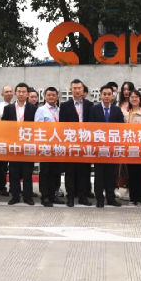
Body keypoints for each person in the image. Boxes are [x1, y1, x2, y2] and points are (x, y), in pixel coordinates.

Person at [59, 79, 94, 207]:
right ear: (71, 90)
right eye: (74, 88)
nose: (77, 90)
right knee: (70, 172)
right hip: (71, 143)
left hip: (85, 144)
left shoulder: (90, 105)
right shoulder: (64, 106)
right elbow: (62, 126)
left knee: (84, 171)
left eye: (79, 88)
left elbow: (93, 125)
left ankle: (83, 196)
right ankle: (70, 197)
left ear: (83, 90)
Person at [2, 83, 37, 205]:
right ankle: (15, 196)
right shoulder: (8, 108)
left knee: (28, 173)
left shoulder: (33, 109)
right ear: (15, 93)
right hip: (13, 145)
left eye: (24, 92)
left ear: (27, 94)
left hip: (28, 145)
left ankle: (28, 197)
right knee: (14, 173)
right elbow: (4, 126)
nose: (21, 94)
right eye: (19, 91)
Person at [90, 85, 125, 208]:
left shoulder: (117, 110)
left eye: (109, 94)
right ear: (100, 95)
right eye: (104, 94)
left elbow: (121, 127)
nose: (106, 96)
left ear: (112, 96)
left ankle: (111, 198)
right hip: (98, 148)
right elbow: (90, 128)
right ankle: (99, 198)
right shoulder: (94, 109)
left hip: (112, 148)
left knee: (111, 174)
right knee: (99, 174)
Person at [35, 87, 63, 207]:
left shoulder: (60, 110)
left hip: (58, 146)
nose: (51, 97)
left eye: (53, 95)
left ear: (57, 97)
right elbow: (38, 128)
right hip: (46, 146)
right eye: (49, 95)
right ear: (45, 97)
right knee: (45, 172)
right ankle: (45, 196)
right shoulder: (41, 110)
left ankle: (53, 195)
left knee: (56, 172)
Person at [124, 89, 141, 206]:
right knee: (131, 173)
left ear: (140, 99)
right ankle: (132, 198)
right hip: (130, 148)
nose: (134, 99)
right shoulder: (127, 113)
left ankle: (140, 198)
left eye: (136, 97)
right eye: (132, 97)